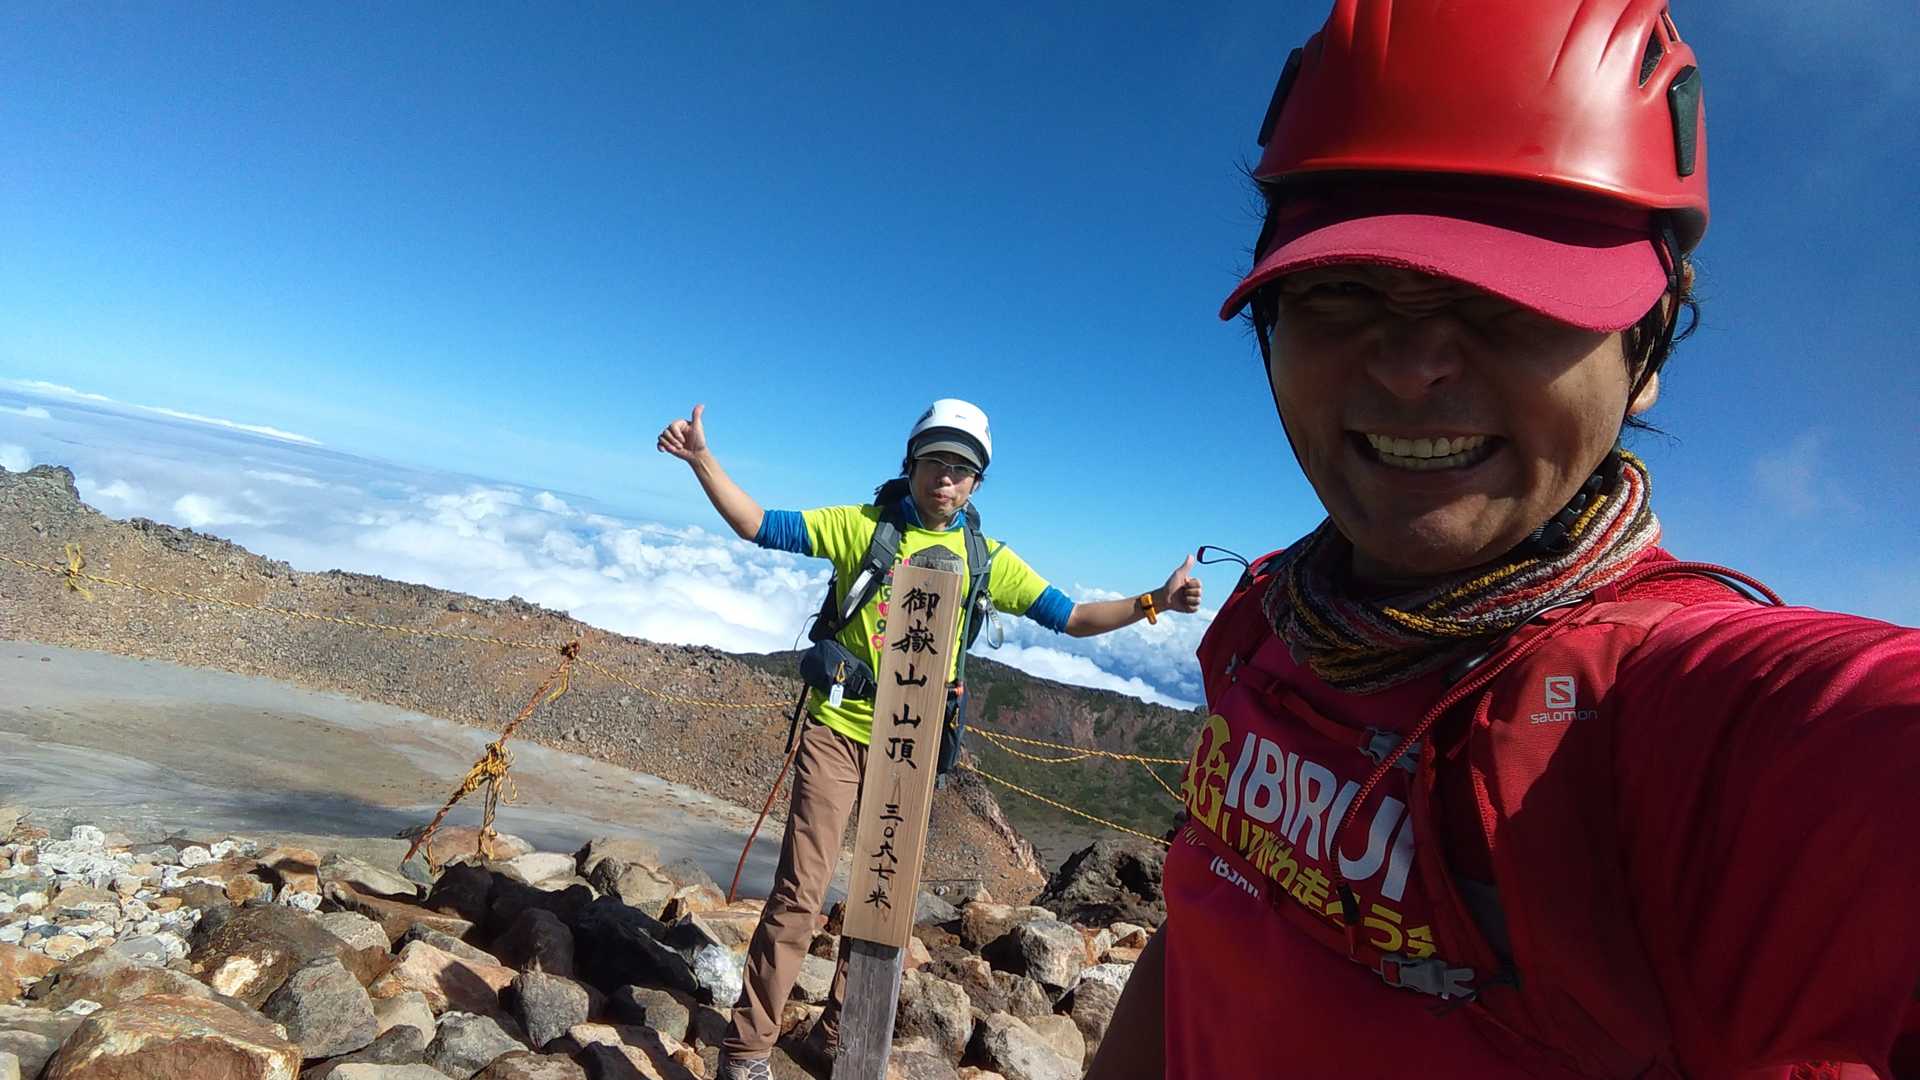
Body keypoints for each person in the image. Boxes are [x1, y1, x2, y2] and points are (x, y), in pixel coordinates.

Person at [1088, 2, 1920, 1078]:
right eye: (1341, 290)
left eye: (1515, 295)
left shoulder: (1665, 722)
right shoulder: (1268, 617)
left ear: (1651, 346)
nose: (1411, 367)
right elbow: (1209, 914)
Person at [657, 397, 1203, 1080]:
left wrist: (1154, 601)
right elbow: (760, 526)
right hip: (839, 730)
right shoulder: (861, 527)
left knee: (881, 898)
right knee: (801, 893)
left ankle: (841, 1035)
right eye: (935, 461)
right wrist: (702, 460)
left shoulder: (984, 559)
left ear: (976, 483)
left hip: (912, 745)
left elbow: (1071, 617)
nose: (946, 477)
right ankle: (745, 1051)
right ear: (911, 464)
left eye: (961, 468)